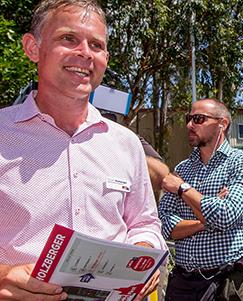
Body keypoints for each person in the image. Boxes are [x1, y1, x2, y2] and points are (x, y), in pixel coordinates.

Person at [0, 1, 166, 300]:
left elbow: (144, 222)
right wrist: (2, 277)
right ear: (33, 48)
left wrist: (143, 252)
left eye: (96, 45)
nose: (85, 53)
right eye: (68, 39)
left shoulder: (126, 143)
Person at [159, 98, 243, 301]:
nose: (189, 125)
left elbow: (225, 216)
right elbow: (164, 225)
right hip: (182, 284)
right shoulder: (182, 168)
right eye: (189, 119)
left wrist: (182, 189)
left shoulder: (242, 163)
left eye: (198, 119)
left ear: (222, 123)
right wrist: (204, 220)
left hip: (226, 281)